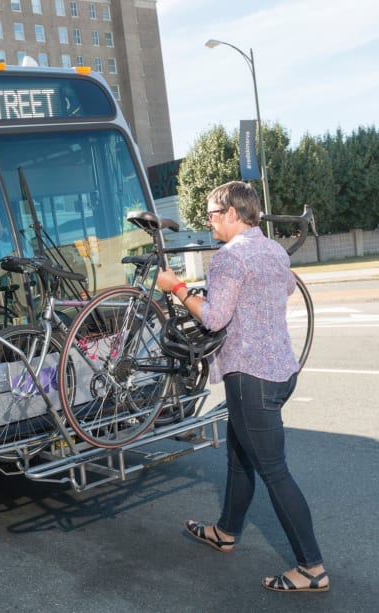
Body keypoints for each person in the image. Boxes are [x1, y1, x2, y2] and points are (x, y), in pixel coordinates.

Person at [156, 181, 329, 593]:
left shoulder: (228, 257)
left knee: (275, 472)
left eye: (214, 214)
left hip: (251, 377)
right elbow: (286, 287)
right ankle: (226, 531)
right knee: (238, 455)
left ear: (234, 213)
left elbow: (214, 318)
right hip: (281, 370)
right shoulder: (271, 249)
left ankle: (312, 567)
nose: (209, 221)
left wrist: (176, 289)